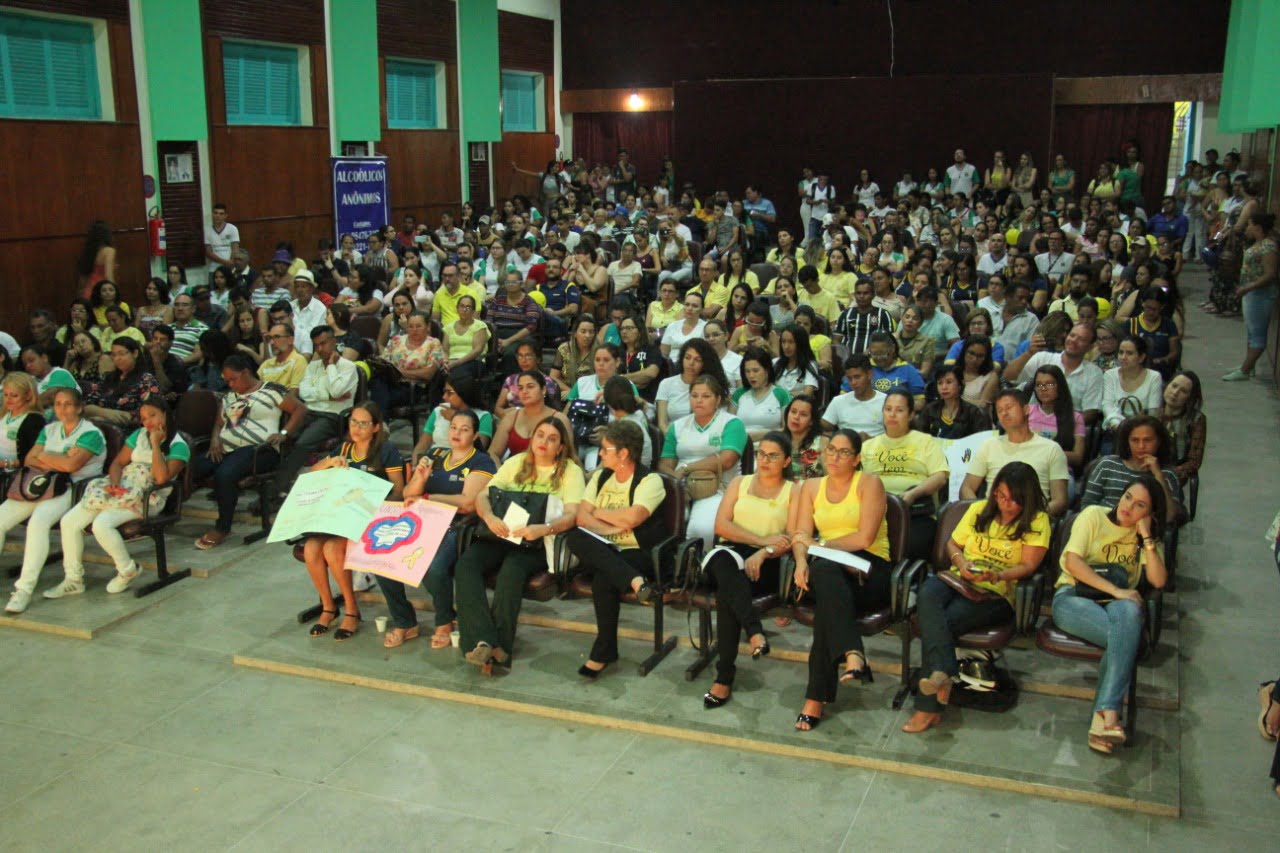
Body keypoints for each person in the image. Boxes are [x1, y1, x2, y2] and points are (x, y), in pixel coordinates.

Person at [903, 462, 1051, 734]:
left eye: (1012, 499)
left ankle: (928, 706)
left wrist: (998, 576)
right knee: (927, 593)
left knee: (939, 623)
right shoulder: (979, 509)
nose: (1004, 503)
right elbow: (952, 544)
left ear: (1026, 497)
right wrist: (960, 564)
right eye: (1000, 495)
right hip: (959, 577)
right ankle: (944, 672)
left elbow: (1029, 566)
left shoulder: (1037, 521)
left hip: (996, 592)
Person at [455, 417, 585, 671]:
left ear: (560, 447)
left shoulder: (570, 471)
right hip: (502, 533)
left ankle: (497, 648)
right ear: (532, 438)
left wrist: (545, 528)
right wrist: (489, 517)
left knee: (511, 572)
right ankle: (484, 642)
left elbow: (572, 516)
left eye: (552, 438)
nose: (544, 442)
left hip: (537, 540)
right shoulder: (515, 462)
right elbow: (483, 495)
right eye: (540, 435)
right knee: (466, 565)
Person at [1053, 477, 1167, 753]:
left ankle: (1104, 719)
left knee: (1129, 611)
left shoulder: (1142, 537)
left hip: (1118, 604)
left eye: (1140, 505)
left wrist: (1148, 539)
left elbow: (1159, 580)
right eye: (1128, 497)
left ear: (1149, 515)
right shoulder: (1093, 516)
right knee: (1127, 639)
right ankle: (1108, 715)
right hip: (1074, 596)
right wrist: (1116, 590)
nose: (1128, 507)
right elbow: (1073, 562)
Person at [789, 429, 893, 731]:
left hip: (868, 570)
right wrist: (799, 561)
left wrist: (818, 547)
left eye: (843, 452)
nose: (834, 456)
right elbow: (800, 535)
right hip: (828, 569)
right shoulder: (810, 487)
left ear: (857, 458)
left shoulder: (869, 483)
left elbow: (864, 537)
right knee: (824, 579)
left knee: (825, 586)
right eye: (830, 449)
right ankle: (854, 654)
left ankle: (815, 700)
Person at [380, 409, 497, 650]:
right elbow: (408, 495)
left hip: (457, 526)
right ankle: (405, 620)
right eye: (454, 427)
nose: (457, 433)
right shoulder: (435, 453)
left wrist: (428, 497)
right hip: (421, 521)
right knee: (382, 560)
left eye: (465, 430)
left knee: (431, 567)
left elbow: (467, 502)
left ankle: (445, 620)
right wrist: (421, 477)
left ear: (475, 435)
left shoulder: (481, 461)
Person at [51, 397, 189, 600]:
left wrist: (155, 444)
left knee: (101, 524)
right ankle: (74, 580)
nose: (147, 422)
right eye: (143, 418)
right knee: (69, 521)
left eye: (153, 416)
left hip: (147, 498)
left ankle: (127, 569)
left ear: (165, 414)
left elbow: (160, 478)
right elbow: (117, 464)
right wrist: (114, 483)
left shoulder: (178, 445)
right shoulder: (138, 435)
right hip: (124, 487)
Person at [698, 430, 798, 706]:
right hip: (732, 553)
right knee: (723, 561)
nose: (765, 460)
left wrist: (764, 552)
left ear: (787, 461)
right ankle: (754, 631)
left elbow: (790, 538)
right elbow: (721, 526)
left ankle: (724, 678)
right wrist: (760, 541)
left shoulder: (794, 491)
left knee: (728, 593)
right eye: (761, 454)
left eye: (773, 455)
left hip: (768, 563)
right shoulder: (739, 483)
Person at [563, 421, 668, 678]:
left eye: (606, 449)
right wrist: (611, 526)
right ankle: (635, 581)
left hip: (639, 551)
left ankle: (604, 653)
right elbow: (581, 519)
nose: (600, 453)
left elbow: (633, 518)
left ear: (623, 453)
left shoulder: (650, 481)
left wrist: (598, 514)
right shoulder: (600, 477)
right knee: (574, 537)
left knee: (603, 579)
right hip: (604, 547)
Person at [298, 403, 405, 641]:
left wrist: (372, 498)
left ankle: (352, 609)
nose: (357, 428)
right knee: (311, 547)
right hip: (339, 515)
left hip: (370, 516)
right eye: (353, 422)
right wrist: (329, 463)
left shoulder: (386, 450)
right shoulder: (343, 448)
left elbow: (399, 492)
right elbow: (312, 474)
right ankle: (328, 607)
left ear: (376, 427)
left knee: (332, 548)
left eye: (364, 423)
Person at [3, 388, 107, 613]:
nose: (62, 409)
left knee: (37, 523)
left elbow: (72, 467)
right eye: (58, 404)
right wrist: (59, 459)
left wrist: (46, 457)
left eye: (68, 404)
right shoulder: (49, 429)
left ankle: (23, 590)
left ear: (79, 407)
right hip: (39, 483)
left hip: (72, 488)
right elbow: (29, 460)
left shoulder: (91, 433)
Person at [191, 355, 305, 549]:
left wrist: (284, 433)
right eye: (226, 381)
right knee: (191, 467)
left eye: (233, 379)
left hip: (261, 450)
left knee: (225, 474)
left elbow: (300, 409)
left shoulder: (271, 390)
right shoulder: (229, 396)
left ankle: (222, 527)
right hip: (227, 448)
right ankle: (159, 516)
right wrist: (215, 439)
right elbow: (219, 424)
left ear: (245, 373)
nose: (230, 384)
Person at [271, 325, 360, 498]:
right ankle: (283, 485)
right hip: (309, 412)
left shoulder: (348, 367)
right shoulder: (313, 366)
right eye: (316, 345)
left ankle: (275, 491)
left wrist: (332, 367)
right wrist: (327, 395)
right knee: (283, 438)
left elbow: (336, 391)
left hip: (332, 417)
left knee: (302, 443)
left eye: (324, 344)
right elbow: (305, 394)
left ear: (334, 342)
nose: (320, 349)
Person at [658, 375, 746, 548]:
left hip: (718, 487)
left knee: (701, 528)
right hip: (681, 485)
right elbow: (664, 463)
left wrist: (687, 468)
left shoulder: (732, 423)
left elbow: (727, 460)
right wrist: (676, 482)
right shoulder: (677, 426)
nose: (699, 400)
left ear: (718, 399)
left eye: (706, 396)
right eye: (694, 395)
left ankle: (699, 567)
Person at [961, 388, 1070, 517]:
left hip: (1032, 521)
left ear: (1026, 410)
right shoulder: (988, 446)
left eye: (1009, 407)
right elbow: (966, 489)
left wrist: (1032, 517)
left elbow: (1060, 500)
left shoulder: (1051, 449)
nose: (1004, 413)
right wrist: (983, 513)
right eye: (999, 410)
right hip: (992, 519)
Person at [1081, 414, 1183, 524]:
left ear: (1159, 442)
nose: (1141, 446)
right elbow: (1087, 505)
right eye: (1135, 440)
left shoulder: (1167, 474)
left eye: (1147, 440)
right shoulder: (1107, 464)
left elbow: (1169, 517)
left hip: (1140, 535)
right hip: (1101, 526)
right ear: (1127, 442)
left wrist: (1158, 475)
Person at [1223, 212, 1278, 381]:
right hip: (1251, 293)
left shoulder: (1268, 247)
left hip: (1260, 295)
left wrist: (1248, 287)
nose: (1247, 228)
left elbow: (1270, 274)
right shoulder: (1259, 244)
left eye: (1249, 224)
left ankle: (1245, 370)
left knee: (1257, 333)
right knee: (1251, 330)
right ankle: (1248, 365)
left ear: (1258, 227)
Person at [370, 312, 443, 414]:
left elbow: (428, 374)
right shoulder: (396, 340)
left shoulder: (433, 343)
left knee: (379, 397)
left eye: (418, 326)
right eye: (411, 326)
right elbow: (384, 361)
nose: (414, 330)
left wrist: (398, 372)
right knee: (378, 381)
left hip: (412, 387)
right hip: (389, 382)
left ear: (428, 326)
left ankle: (380, 423)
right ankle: (382, 424)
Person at [80, 338, 160, 428]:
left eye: (121, 354)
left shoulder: (147, 380)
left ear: (135, 353)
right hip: (97, 425)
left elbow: (147, 415)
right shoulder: (108, 377)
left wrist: (104, 416)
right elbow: (88, 402)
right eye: (113, 355)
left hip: (130, 432)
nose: (117, 358)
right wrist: (103, 413)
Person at [413, 375, 495, 457]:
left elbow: (478, 451)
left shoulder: (483, 416)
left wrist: (456, 418)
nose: (444, 396)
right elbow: (421, 446)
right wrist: (415, 467)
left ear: (463, 394)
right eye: (444, 391)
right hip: (433, 462)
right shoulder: (439, 411)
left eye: (449, 393)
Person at [1027, 365, 1086, 472]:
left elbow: (1078, 457)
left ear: (1060, 386)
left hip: (1059, 470)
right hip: (1027, 467)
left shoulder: (1075, 418)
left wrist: (1045, 452)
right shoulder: (1026, 412)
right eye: (1038, 385)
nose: (1043, 389)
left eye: (1049, 384)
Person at [1101, 336, 1163, 433]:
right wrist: (1118, 427)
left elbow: (1153, 413)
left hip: (1143, 432)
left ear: (1141, 357)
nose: (1123, 357)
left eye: (1129, 353)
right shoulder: (1110, 375)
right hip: (1115, 430)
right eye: (1121, 352)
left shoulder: (1154, 377)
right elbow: (1107, 406)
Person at [914, 365, 993, 439]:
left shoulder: (974, 413)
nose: (944, 387)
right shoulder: (930, 410)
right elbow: (921, 439)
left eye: (949, 382)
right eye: (940, 383)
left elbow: (982, 442)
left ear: (960, 384)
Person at [1157, 370, 1206, 486]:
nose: (1175, 392)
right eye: (1174, 386)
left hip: (1171, 478)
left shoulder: (1195, 419)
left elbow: (1194, 461)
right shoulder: (1150, 412)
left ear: (1190, 398)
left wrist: (1164, 474)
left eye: (1183, 391)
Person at [731, 348, 791, 440]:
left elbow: (787, 430)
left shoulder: (781, 394)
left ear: (767, 370)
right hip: (741, 445)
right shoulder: (739, 393)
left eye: (755, 370)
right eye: (747, 371)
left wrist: (756, 436)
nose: (751, 375)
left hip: (771, 444)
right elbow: (729, 426)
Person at [823, 353, 886, 438]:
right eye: (849, 378)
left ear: (869, 374)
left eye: (857, 377)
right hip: (845, 448)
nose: (853, 383)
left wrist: (870, 441)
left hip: (878, 449)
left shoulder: (886, 402)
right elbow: (823, 427)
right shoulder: (839, 401)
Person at [866, 333, 926, 410]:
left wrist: (900, 409)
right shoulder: (865, 367)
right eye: (874, 354)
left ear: (893, 348)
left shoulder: (908, 370)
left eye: (883, 353)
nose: (879, 358)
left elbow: (920, 401)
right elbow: (846, 392)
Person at [0, 373, 44, 473]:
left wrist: (4, 463)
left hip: (16, 475)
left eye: (14, 395)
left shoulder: (34, 420)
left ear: (28, 395)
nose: (8, 399)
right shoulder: (3, 415)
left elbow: (35, 458)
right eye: (6, 394)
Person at [551, 315, 597, 397]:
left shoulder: (599, 351)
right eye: (583, 331)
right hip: (567, 392)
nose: (587, 335)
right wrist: (572, 392)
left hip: (590, 394)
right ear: (575, 333)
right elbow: (553, 376)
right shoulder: (564, 349)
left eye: (591, 332)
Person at [774, 325, 822, 398]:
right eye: (783, 342)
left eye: (791, 342)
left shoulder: (810, 365)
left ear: (801, 343)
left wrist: (783, 395)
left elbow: (807, 394)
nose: (786, 346)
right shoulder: (774, 363)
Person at [257, 323, 308, 391]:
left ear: (290, 340)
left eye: (277, 337)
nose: (272, 342)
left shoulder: (299, 361)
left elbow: (294, 395)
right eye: (270, 338)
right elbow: (256, 390)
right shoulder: (266, 364)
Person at [955, 335, 999, 411]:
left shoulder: (991, 377)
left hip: (977, 420)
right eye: (971, 353)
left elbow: (983, 405)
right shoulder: (953, 372)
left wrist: (954, 401)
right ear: (964, 352)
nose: (974, 359)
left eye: (980, 356)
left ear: (986, 357)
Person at [204, 202, 240, 273]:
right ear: (212, 214)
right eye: (216, 213)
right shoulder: (207, 230)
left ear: (225, 215)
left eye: (221, 214)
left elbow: (235, 249)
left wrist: (230, 262)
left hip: (230, 268)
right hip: (214, 269)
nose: (218, 216)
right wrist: (225, 262)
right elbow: (208, 252)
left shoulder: (232, 228)